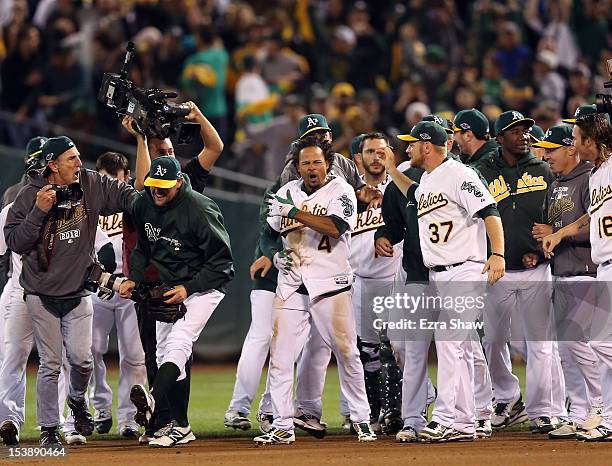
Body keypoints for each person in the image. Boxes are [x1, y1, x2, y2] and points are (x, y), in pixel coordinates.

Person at [4, 136, 138, 448]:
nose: (80, 163)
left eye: (78, 156)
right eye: (71, 159)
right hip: (41, 295)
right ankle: (49, 428)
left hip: (78, 291)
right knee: (51, 364)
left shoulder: (90, 184)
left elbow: (125, 194)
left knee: (83, 361)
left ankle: (78, 400)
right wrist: (38, 212)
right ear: (52, 165)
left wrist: (148, 202)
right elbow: (16, 243)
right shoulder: (28, 196)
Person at [381, 121, 505, 442]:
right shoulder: (430, 179)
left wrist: (499, 254)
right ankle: (465, 421)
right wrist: (393, 170)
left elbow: (490, 211)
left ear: (426, 146)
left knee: (449, 342)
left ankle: (448, 417)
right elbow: (413, 191)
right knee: (459, 347)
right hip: (439, 273)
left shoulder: (460, 174)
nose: (407, 149)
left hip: (465, 269)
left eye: (412, 144)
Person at [252, 137, 375, 444]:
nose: (312, 167)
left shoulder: (341, 190)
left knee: (347, 353)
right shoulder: (285, 192)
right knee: (280, 356)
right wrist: (272, 253)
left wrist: (293, 213)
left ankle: (361, 419)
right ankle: (282, 424)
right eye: (305, 163)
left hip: (331, 284)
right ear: (297, 167)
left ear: (328, 164)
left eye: (317, 162)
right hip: (292, 283)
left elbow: (335, 227)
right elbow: (268, 233)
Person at [121, 100, 224, 444]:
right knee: (166, 351)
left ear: (179, 183)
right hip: (168, 283)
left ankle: (152, 403)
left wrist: (189, 287)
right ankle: (179, 425)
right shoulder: (147, 199)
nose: (157, 192)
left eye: (163, 188)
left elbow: (223, 265)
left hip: (203, 285)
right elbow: (142, 248)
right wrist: (134, 278)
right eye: (153, 186)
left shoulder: (198, 206)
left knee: (178, 344)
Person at [472, 110, 558, 434]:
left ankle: (542, 411)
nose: (523, 135)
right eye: (515, 131)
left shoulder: (543, 169)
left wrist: (543, 246)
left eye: (525, 130)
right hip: (497, 270)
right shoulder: (479, 172)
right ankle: (508, 395)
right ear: (499, 138)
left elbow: (559, 214)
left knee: (541, 343)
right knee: (493, 340)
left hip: (536, 269)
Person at [531, 125, 603, 439]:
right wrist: (544, 240)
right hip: (561, 270)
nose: (546, 156)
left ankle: (601, 404)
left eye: (552, 149)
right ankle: (579, 411)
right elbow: (553, 227)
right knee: (567, 349)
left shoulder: (590, 177)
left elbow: (598, 227)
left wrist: (557, 235)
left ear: (571, 149)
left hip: (585, 270)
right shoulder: (556, 184)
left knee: (583, 343)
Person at [88, 152, 146, 439]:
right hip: (98, 287)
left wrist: (140, 140)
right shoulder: (88, 201)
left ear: (126, 178)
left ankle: (129, 418)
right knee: (90, 351)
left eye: (117, 176)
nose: (111, 181)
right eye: (105, 176)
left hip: (129, 289)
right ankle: (100, 406)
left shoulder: (132, 202)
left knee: (134, 356)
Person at [349, 132, 403, 432]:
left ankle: (396, 410)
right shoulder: (346, 193)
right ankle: (373, 412)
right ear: (359, 158)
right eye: (369, 152)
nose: (375, 157)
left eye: (381, 151)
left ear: (390, 154)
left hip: (394, 278)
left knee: (393, 348)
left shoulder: (399, 185)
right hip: (360, 282)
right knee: (366, 350)